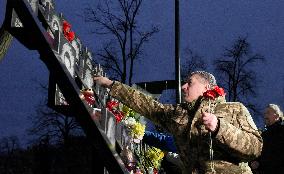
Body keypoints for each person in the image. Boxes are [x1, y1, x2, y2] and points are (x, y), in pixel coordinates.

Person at [94, 71, 262, 174]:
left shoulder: (233, 109)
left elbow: (255, 147)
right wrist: (111, 85)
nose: (183, 87)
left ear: (206, 87)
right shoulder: (179, 114)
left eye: (190, 82)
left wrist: (220, 127)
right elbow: (147, 105)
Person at [250, 104, 284, 174]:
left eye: (268, 113)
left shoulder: (282, 131)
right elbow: (259, 153)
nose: (265, 116)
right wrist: (256, 162)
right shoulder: (263, 135)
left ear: (277, 115)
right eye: (264, 114)